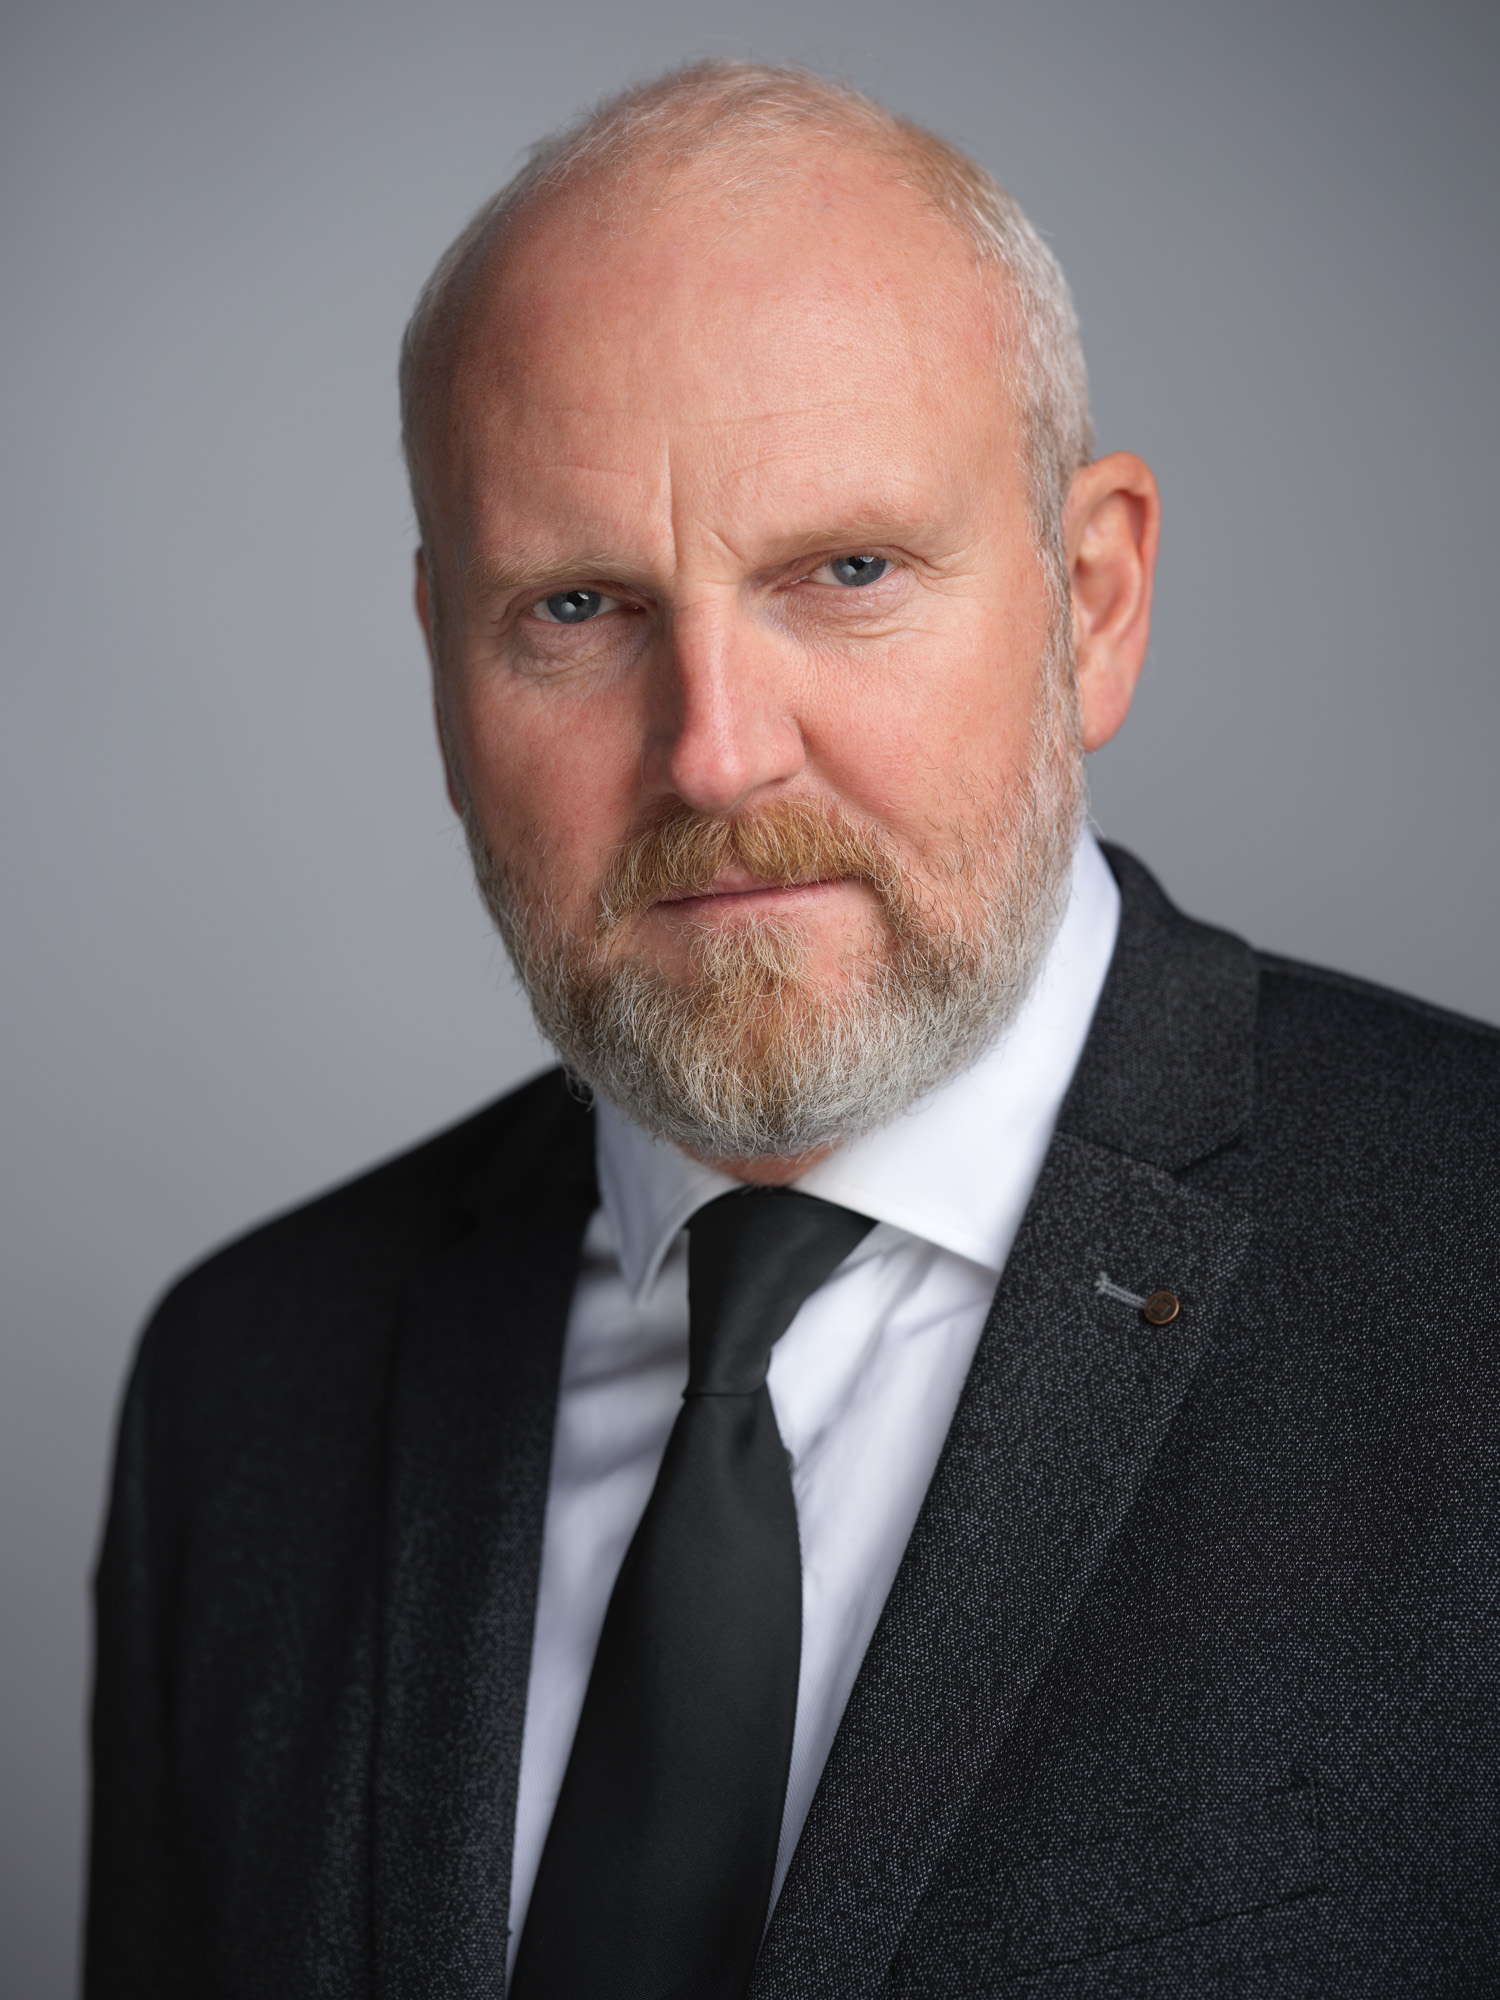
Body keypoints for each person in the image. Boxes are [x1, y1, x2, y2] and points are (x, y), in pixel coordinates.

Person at [85, 59, 1500, 2000]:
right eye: (578, 607)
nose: (716, 752)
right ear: (442, 672)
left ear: (1093, 603)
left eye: (845, 572)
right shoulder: (248, 1391)